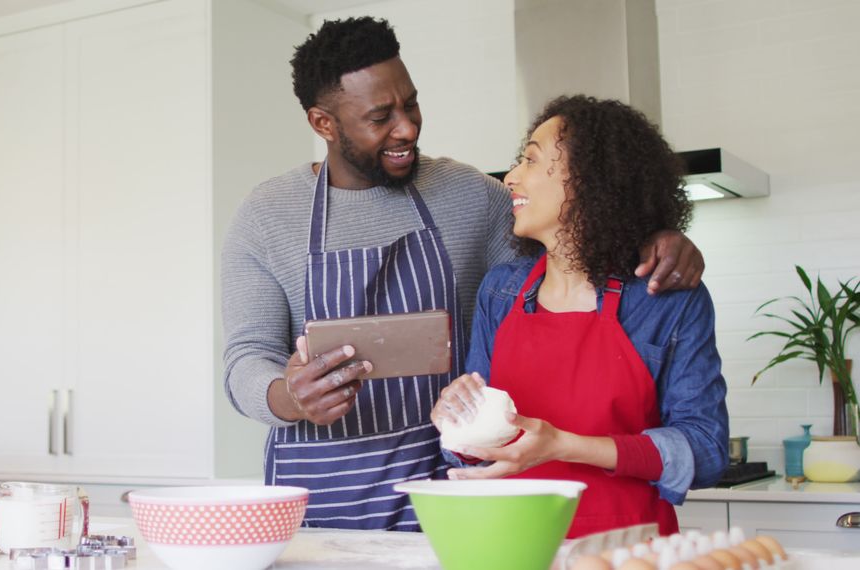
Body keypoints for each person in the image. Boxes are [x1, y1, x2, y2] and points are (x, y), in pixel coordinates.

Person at [221, 17, 704, 531]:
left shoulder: (476, 198)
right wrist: (290, 396)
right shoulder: (268, 215)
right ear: (324, 124)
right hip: (321, 496)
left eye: (410, 104)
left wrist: (658, 237)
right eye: (380, 116)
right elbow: (246, 360)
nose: (406, 128)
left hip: (451, 489)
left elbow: (577, 246)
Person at [430, 95, 729, 538]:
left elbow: (705, 451)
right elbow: (473, 452)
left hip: (629, 549)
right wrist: (457, 423)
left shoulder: (664, 299)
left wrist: (565, 447)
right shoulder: (501, 289)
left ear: (590, 180)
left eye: (530, 160)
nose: (511, 177)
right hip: (512, 545)